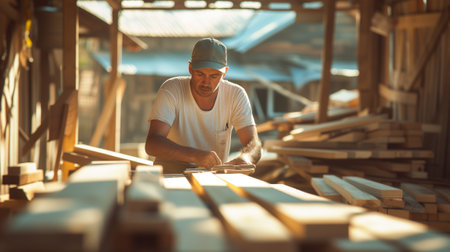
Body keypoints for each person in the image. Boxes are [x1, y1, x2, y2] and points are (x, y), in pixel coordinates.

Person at [145, 38, 261, 174]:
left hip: (212, 176)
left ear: (224, 72)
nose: (206, 82)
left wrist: (246, 157)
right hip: (170, 173)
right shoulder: (172, 89)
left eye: (214, 76)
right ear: (190, 68)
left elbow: (254, 145)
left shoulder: (236, 95)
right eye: (200, 74)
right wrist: (194, 155)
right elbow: (152, 144)